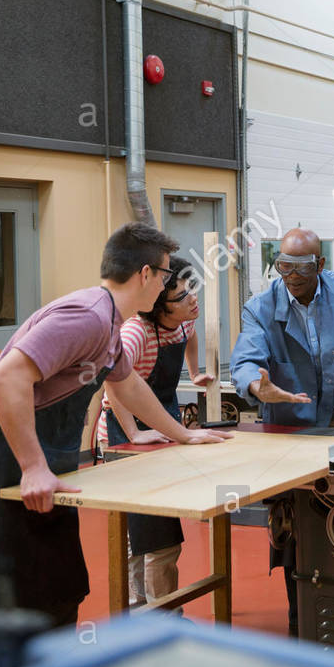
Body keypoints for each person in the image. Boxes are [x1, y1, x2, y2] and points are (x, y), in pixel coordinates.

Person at [0, 223, 232, 627]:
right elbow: (6, 378)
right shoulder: (88, 316)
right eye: (167, 275)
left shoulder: (109, 325)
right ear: (146, 275)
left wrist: (183, 433)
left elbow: (127, 384)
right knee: (4, 606)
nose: (169, 284)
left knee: (60, 592)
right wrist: (33, 466)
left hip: (42, 471)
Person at [230, 227, 334, 634]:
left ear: (320, 265)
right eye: (282, 265)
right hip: (286, 437)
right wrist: (257, 385)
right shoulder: (260, 307)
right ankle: (299, 622)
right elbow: (245, 357)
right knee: (292, 533)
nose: (289, 275)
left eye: (300, 268)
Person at [94, 256, 214, 611]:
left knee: (153, 530)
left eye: (192, 289)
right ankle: (158, 615)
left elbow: (189, 338)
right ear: (159, 305)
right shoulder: (136, 333)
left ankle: (147, 609)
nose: (193, 299)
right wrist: (134, 433)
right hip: (122, 430)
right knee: (152, 534)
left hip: (160, 423)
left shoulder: (180, 324)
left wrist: (195, 373)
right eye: (181, 295)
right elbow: (112, 383)